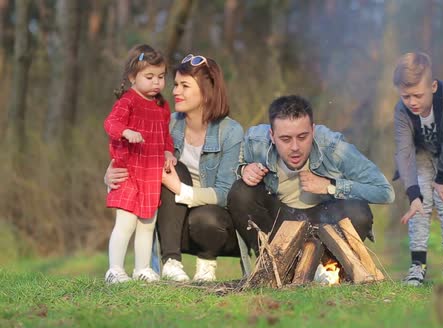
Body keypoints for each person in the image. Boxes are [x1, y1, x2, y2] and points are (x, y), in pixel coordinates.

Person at [105, 53, 243, 282]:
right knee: (170, 165)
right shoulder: (166, 122)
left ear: (207, 89)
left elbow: (225, 193)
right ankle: (169, 262)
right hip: (170, 219)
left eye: (184, 86)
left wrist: (181, 190)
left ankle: (205, 263)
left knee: (201, 210)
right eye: (176, 84)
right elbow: (135, 156)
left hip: (211, 224)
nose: (175, 91)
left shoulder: (230, 132)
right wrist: (109, 176)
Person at [227, 95, 395, 255]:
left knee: (359, 212)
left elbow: (385, 192)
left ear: (313, 130)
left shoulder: (333, 147)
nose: (295, 147)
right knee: (240, 192)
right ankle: (272, 262)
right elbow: (227, 177)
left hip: (324, 219)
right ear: (272, 136)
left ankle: (325, 267)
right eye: (285, 139)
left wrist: (330, 186)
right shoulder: (256, 141)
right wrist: (244, 170)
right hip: (278, 220)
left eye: (302, 137)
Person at [392, 52, 443, 286]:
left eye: (417, 95)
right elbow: (404, 152)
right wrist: (413, 194)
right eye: (406, 96)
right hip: (420, 155)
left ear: (433, 86)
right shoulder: (401, 110)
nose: (412, 102)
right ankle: (417, 266)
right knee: (419, 207)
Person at [103, 44, 176, 284]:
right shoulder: (128, 101)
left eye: (161, 77)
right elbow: (110, 124)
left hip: (151, 173)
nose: (156, 82)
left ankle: (142, 269)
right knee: (125, 223)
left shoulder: (161, 106)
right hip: (128, 171)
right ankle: (115, 270)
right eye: (149, 77)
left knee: (147, 223)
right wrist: (125, 131)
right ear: (132, 77)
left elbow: (165, 135)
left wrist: (168, 152)